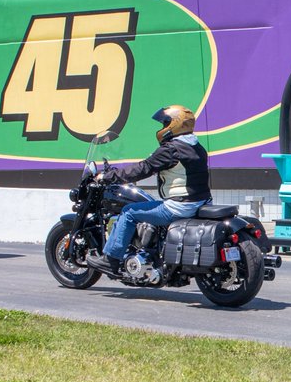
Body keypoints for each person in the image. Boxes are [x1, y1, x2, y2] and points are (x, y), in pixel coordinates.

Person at [86, 105, 212, 276]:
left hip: (179, 207)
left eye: (165, 123)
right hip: (200, 203)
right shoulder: (197, 147)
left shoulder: (171, 149)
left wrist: (108, 176)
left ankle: (111, 259)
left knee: (128, 212)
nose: (162, 128)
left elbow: (144, 168)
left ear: (175, 124)